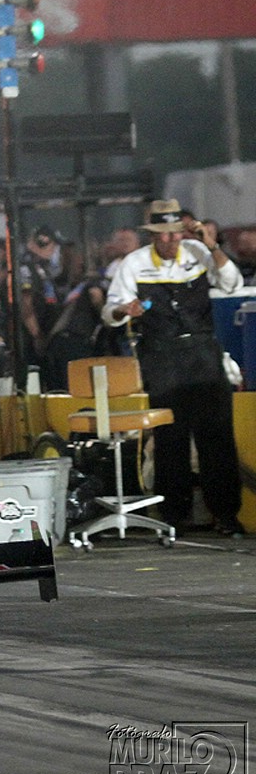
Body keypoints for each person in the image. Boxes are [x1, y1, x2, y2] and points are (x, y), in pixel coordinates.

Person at [103, 199, 245, 537]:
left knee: (217, 436)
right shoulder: (134, 264)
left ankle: (225, 514)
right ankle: (173, 515)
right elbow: (110, 311)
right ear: (152, 236)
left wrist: (212, 246)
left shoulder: (199, 252)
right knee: (170, 437)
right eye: (162, 235)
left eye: (175, 234)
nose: (170, 241)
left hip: (203, 351)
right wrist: (126, 310)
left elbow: (232, 284)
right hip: (161, 354)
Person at [18, 224, 70, 390]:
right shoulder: (26, 267)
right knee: (35, 381)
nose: (54, 249)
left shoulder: (42, 267)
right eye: (51, 245)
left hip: (46, 333)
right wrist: (36, 335)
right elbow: (26, 304)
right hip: (31, 338)